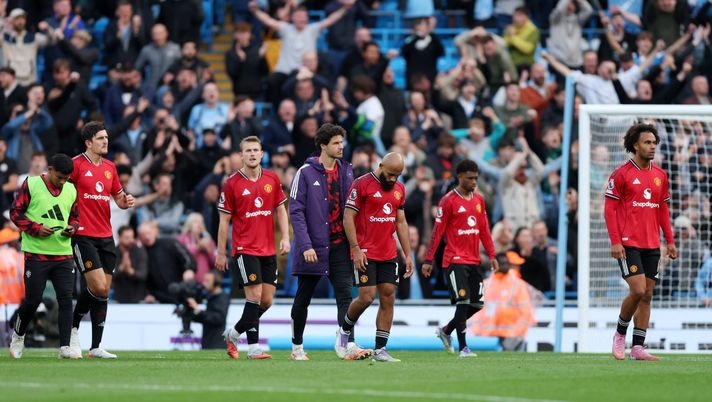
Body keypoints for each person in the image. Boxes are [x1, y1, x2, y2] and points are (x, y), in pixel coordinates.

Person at [289, 123, 370, 361]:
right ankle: (296, 348)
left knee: (346, 296)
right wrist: (305, 246)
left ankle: (348, 344)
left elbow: (353, 210)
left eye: (341, 142)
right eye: (335, 142)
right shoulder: (304, 172)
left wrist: (356, 244)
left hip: (340, 246)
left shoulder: (347, 170)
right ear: (323, 146)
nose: (341, 146)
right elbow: (296, 211)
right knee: (303, 297)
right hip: (313, 248)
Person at [604, 123, 676, 361]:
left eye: (654, 143)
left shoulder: (660, 176)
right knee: (637, 290)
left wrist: (670, 241)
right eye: (647, 142)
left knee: (647, 295)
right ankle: (619, 334)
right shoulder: (622, 174)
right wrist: (616, 242)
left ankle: (638, 347)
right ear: (635, 145)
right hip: (628, 244)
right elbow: (609, 210)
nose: (652, 146)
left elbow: (663, 211)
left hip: (652, 244)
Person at [335, 152, 414, 362]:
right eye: (390, 174)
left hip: (388, 252)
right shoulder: (361, 184)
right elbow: (347, 218)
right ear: (380, 166)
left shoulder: (399, 189)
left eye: (397, 175)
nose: (393, 179)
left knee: (388, 297)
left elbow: (401, 223)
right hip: (365, 251)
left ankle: (380, 350)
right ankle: (343, 332)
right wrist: (356, 249)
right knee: (367, 297)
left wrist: (408, 255)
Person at [217, 136, 290, 360]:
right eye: (247, 150)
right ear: (241, 155)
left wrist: (286, 237)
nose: (251, 154)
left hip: (268, 249)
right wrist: (221, 252)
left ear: (261, 154)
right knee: (255, 296)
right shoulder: (231, 183)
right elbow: (224, 221)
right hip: (244, 248)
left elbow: (280, 209)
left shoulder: (272, 178)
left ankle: (234, 333)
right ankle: (253, 347)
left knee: (266, 300)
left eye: (255, 150)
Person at [69, 122, 136, 359]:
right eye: (100, 138)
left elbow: (117, 197)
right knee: (97, 286)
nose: (105, 141)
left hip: (106, 235)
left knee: (104, 291)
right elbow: (61, 193)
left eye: (106, 137)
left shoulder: (110, 167)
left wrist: (125, 200)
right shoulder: (75, 165)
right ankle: (73, 327)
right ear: (88, 143)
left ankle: (96, 346)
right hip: (83, 235)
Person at [422, 159, 498, 357]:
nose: (474, 182)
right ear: (460, 177)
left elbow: (484, 230)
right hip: (454, 259)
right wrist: (429, 259)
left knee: (477, 304)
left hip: (474, 260)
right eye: (470, 178)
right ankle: (464, 347)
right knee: (463, 301)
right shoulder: (448, 201)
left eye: (476, 178)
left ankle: (446, 331)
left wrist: (492, 254)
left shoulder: (479, 200)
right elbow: (437, 232)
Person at [9, 154, 80, 359]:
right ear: (49, 170)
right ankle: (18, 336)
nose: (62, 182)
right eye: (59, 177)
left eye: (66, 178)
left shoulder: (71, 189)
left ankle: (65, 347)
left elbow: (75, 217)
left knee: (66, 300)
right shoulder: (31, 184)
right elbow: (15, 213)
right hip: (36, 252)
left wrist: (72, 229)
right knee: (33, 301)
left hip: (63, 253)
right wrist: (35, 229)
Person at [470, 251, 536, 351]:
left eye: (507, 263)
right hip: (488, 336)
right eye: (502, 263)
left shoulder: (518, 284)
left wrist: (519, 334)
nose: (506, 266)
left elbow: (526, 311)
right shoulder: (485, 285)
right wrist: (477, 331)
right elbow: (476, 311)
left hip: (511, 337)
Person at [186, 270, 230, 350]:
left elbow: (219, 318)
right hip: (207, 342)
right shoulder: (210, 296)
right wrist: (192, 312)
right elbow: (206, 318)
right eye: (204, 280)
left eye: (207, 281)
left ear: (216, 282)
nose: (204, 283)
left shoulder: (222, 297)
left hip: (217, 345)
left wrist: (200, 311)